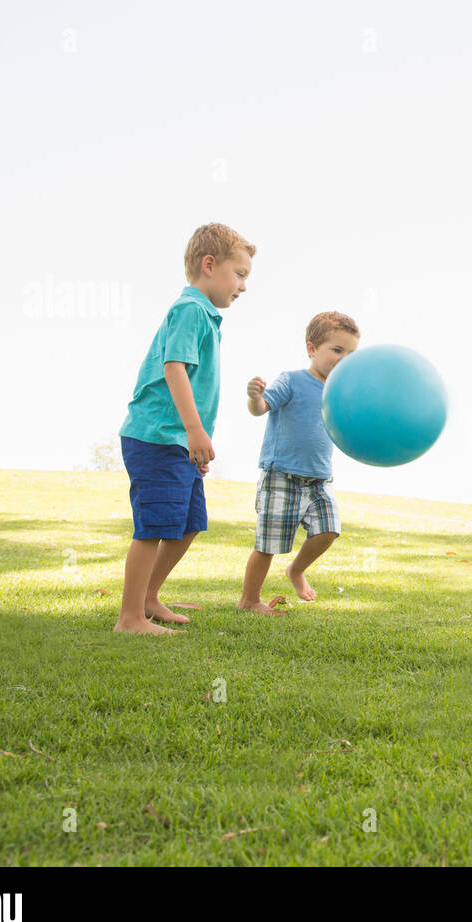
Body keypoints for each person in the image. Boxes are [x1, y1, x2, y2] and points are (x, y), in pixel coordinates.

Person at [113, 223, 255, 634]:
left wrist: (193, 443)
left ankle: (149, 598)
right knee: (153, 527)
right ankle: (130, 618)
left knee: (189, 523)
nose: (243, 286)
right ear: (209, 265)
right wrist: (194, 431)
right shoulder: (190, 310)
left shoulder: (205, 316)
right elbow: (173, 368)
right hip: (156, 436)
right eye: (240, 274)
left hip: (178, 442)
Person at [237, 311, 360, 615]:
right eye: (337, 350)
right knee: (268, 544)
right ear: (311, 348)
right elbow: (261, 407)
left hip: (319, 479)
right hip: (282, 476)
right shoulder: (291, 380)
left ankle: (296, 570)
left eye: (351, 354)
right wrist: (255, 397)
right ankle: (249, 600)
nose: (344, 359)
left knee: (329, 530)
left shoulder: (343, 393)